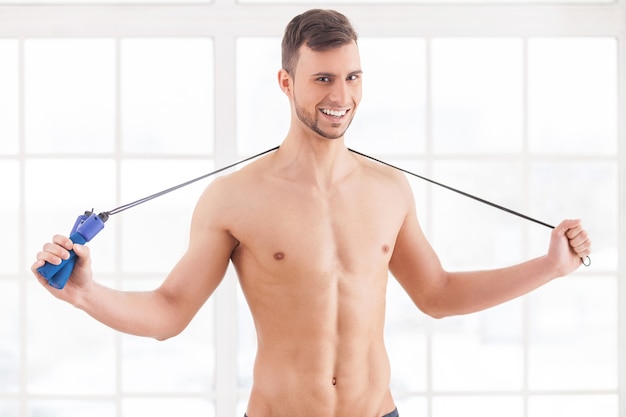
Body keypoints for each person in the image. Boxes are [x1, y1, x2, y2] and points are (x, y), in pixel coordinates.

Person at [32, 9, 591, 417]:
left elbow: (437, 294)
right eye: (322, 78)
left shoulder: (389, 190)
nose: (340, 95)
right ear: (286, 82)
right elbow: (169, 312)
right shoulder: (235, 198)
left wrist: (550, 267)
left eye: (351, 76)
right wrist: (85, 293)